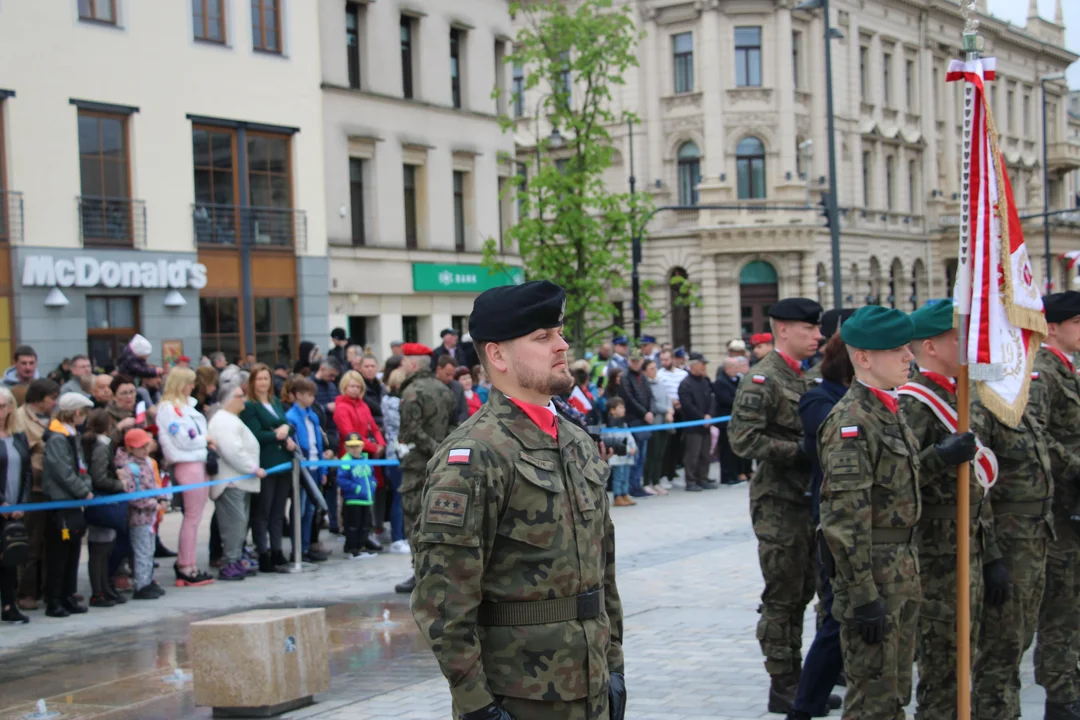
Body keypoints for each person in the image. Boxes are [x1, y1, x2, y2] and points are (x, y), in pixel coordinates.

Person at [412, 280, 625, 720]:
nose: (562, 346)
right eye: (542, 337)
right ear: (497, 355)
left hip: (592, 686)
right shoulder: (474, 457)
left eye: (560, 333)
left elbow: (604, 573)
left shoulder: (576, 442)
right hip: (520, 698)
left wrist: (616, 668)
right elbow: (442, 603)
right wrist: (477, 706)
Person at [818, 306, 935, 719]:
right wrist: (864, 595)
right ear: (864, 358)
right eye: (896, 349)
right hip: (875, 579)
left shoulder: (889, 410)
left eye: (907, 347)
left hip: (902, 569)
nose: (909, 356)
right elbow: (843, 521)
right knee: (873, 702)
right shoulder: (852, 421)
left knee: (896, 692)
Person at [900, 298, 998, 720]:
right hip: (935, 551)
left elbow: (979, 485)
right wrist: (939, 456)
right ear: (931, 347)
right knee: (942, 662)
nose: (968, 344)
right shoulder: (914, 402)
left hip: (970, 541)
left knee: (966, 657)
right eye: (958, 336)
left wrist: (991, 554)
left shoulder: (963, 396)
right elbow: (897, 482)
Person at [727, 297, 823, 712]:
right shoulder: (762, 380)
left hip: (807, 500)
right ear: (783, 329)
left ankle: (800, 679)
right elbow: (742, 440)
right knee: (783, 594)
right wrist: (796, 451)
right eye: (809, 329)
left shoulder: (809, 377)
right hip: (778, 503)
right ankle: (782, 681)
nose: (818, 336)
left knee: (805, 589)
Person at [787, 332, 855, 720]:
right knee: (835, 617)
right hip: (834, 520)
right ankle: (803, 705)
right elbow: (823, 446)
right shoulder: (819, 397)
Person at [1026, 291, 1080, 720]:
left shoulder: (1068, 370)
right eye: (1077, 322)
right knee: (1061, 603)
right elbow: (1038, 436)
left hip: (1073, 506)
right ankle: (1060, 696)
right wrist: (1076, 466)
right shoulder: (1043, 372)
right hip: (1060, 508)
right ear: (1054, 327)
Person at [395, 342, 455, 595]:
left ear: (411, 364)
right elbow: (455, 425)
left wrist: (433, 449)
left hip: (418, 465)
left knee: (414, 518)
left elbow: (409, 431)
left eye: (403, 361)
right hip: (442, 464)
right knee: (439, 518)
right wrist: (443, 450)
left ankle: (421, 572)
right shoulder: (445, 390)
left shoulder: (412, 392)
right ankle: (440, 571)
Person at [156, 367, 215, 588]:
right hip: (187, 462)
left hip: (197, 460)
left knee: (195, 517)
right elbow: (183, 439)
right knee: (192, 517)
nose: (192, 386)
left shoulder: (184, 406)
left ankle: (187, 562)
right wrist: (205, 440)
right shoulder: (169, 408)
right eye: (189, 382)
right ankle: (185, 566)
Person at [41, 392, 95, 617]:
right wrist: (83, 490)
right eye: (84, 412)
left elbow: (80, 467)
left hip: (73, 502)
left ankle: (68, 595)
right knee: (59, 553)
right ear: (76, 412)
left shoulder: (71, 435)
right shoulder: (57, 438)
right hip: (60, 502)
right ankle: (54, 600)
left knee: (73, 551)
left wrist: (86, 484)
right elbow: (62, 471)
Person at [241, 363, 297, 572]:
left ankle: (277, 550)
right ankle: (263, 552)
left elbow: (286, 424)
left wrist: (286, 431)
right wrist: (276, 434)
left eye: (266, 378)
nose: (263, 383)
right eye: (259, 379)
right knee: (262, 510)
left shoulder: (274, 401)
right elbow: (254, 434)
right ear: (253, 382)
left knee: (278, 511)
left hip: (282, 460)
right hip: (265, 463)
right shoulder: (250, 406)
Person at [208, 383, 264, 582]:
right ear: (229, 399)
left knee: (240, 524)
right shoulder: (224, 420)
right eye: (240, 396)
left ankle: (235, 558)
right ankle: (229, 562)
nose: (244, 400)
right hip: (231, 481)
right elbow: (233, 451)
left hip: (239, 481)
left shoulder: (231, 419)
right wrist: (252, 468)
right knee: (234, 524)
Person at [13, 379, 59, 611]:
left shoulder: (52, 418)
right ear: (39, 399)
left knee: (50, 541)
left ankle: (48, 588)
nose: (55, 402)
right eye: (52, 398)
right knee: (32, 541)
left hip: (53, 486)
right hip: (35, 488)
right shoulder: (21, 417)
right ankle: (26, 591)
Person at [333, 370, 385, 553]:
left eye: (358, 386)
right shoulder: (341, 407)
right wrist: (373, 447)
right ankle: (352, 538)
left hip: (365, 455)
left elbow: (374, 426)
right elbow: (349, 434)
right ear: (344, 387)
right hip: (350, 453)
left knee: (368, 494)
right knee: (351, 500)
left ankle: (365, 534)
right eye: (351, 386)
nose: (355, 390)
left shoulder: (363, 405)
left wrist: (381, 444)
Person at [116, 428, 168, 599]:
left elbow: (154, 485)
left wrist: (161, 498)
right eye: (140, 447)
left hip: (151, 516)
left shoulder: (147, 462)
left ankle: (148, 580)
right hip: (138, 517)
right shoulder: (129, 468)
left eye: (146, 446)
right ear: (130, 448)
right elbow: (133, 496)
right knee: (141, 551)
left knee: (149, 549)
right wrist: (154, 503)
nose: (145, 450)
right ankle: (141, 584)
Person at [286, 377, 333, 563]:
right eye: (308, 395)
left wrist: (322, 471)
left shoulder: (312, 416)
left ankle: (306, 545)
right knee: (301, 509)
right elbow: (300, 444)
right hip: (302, 468)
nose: (312, 398)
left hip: (314, 466)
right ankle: (298, 548)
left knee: (311, 510)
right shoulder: (291, 417)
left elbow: (318, 445)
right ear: (298, 395)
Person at [82, 408, 125, 608]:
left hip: (104, 501)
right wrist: (118, 485)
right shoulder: (100, 446)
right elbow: (99, 477)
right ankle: (98, 591)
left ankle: (104, 588)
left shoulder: (100, 444)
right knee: (99, 549)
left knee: (105, 547)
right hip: (102, 501)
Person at [0, 386, 32, 624]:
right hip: (2, 505)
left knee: (10, 558)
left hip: (16, 506)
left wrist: (21, 503)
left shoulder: (18, 436)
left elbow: (27, 473)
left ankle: (9, 604)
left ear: (10, 407)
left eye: (3, 406)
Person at [381, 367, 409, 554]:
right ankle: (397, 537)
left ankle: (404, 534)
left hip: (404, 452)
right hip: (396, 454)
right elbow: (401, 424)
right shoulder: (391, 402)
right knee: (398, 497)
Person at [678, 352, 716, 492]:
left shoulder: (705, 381)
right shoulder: (685, 384)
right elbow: (687, 406)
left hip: (706, 423)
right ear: (693, 365)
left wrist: (710, 415)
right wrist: (702, 418)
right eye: (702, 364)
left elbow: (712, 399)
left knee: (705, 454)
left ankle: (703, 478)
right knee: (692, 454)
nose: (704, 367)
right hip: (693, 425)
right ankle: (691, 480)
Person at [338, 433, 377, 559]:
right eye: (352, 446)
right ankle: (352, 548)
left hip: (366, 500)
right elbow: (342, 480)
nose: (355, 449)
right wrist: (357, 489)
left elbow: (371, 475)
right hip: (353, 500)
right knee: (352, 526)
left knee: (364, 525)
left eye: (357, 446)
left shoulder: (365, 459)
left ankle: (361, 546)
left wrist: (373, 485)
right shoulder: (345, 461)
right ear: (346, 447)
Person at [619, 348, 652, 498]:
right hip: (633, 420)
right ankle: (632, 486)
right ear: (628, 361)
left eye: (638, 361)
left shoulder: (642, 377)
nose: (636, 363)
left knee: (642, 456)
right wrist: (644, 413)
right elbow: (629, 399)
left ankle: (637, 484)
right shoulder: (625, 377)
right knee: (635, 455)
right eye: (633, 361)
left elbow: (648, 395)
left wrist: (649, 411)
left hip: (644, 420)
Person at [714, 356, 747, 484]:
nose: (737, 369)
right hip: (725, 421)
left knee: (734, 449)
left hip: (735, 421)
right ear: (727, 368)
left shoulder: (737, 380)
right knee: (726, 450)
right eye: (734, 367)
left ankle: (735, 473)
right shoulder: (721, 382)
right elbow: (726, 399)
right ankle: (727, 476)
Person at [642, 358, 672, 495]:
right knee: (652, 455)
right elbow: (654, 403)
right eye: (651, 368)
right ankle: (647, 481)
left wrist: (670, 410)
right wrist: (667, 410)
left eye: (655, 368)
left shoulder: (659, 383)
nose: (654, 371)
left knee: (660, 454)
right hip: (654, 423)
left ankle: (657, 481)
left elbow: (667, 398)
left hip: (664, 423)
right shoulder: (646, 385)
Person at [607, 397, 638, 507]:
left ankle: (625, 494)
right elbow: (613, 440)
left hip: (628, 456)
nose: (623, 409)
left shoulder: (624, 424)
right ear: (612, 410)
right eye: (620, 407)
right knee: (618, 476)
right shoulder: (610, 425)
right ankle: (617, 496)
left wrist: (633, 447)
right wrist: (627, 449)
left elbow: (629, 436)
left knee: (626, 476)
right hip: (618, 455)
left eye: (623, 407)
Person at [436, 355, 469, 426]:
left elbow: (463, 411)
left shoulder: (458, 387)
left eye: (453, 375)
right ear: (439, 369)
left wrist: (458, 424)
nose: (450, 378)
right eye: (447, 374)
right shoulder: (429, 387)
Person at [358, 354, 385, 429]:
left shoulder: (381, 387)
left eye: (373, 366)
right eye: (366, 366)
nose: (370, 369)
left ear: (377, 368)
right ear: (360, 368)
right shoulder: (357, 387)